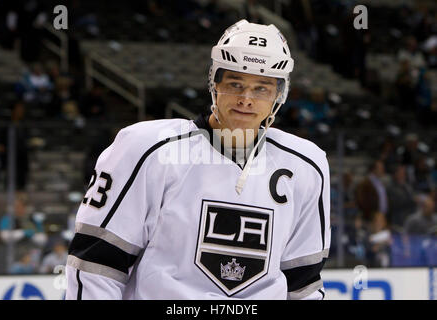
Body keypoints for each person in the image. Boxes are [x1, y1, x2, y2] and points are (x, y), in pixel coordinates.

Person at [65, 20, 330, 300]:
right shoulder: (147, 149)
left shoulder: (306, 165)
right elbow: (96, 264)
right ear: (214, 83)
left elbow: (303, 284)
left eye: (261, 88)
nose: (246, 99)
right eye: (235, 84)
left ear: (279, 94)